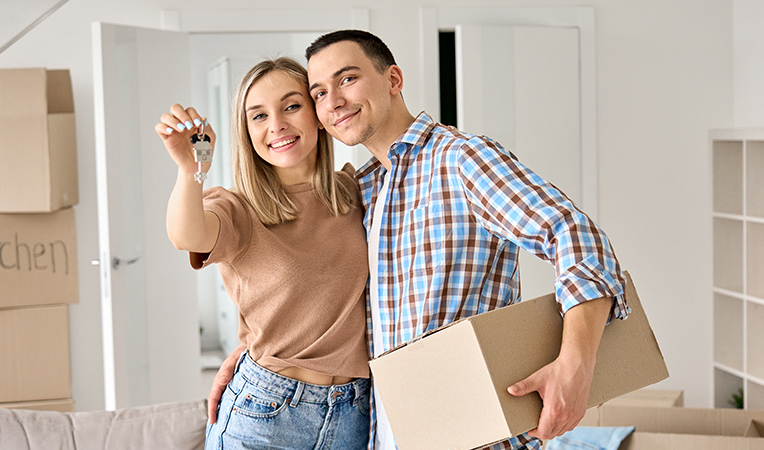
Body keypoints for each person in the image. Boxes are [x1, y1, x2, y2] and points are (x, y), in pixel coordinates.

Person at [211, 30, 628, 450]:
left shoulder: (461, 159)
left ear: (393, 80)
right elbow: (326, 296)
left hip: (473, 432)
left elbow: (574, 236)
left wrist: (576, 364)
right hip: (383, 433)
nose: (334, 100)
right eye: (318, 92)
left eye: (348, 79)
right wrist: (254, 359)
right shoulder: (360, 190)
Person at [157, 57, 371, 450]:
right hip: (267, 413)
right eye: (258, 116)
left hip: (355, 414)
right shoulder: (238, 208)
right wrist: (191, 170)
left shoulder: (356, 191)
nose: (277, 125)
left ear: (318, 115)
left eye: (291, 106)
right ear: (246, 131)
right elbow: (186, 235)